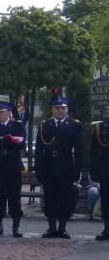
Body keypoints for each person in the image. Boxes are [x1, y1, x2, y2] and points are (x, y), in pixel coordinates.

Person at [35, 94, 84, 238]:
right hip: (49, 167)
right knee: (50, 197)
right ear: (52, 110)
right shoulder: (45, 125)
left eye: (63, 108)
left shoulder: (75, 125)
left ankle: (62, 228)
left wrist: (77, 169)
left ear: (67, 110)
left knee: (65, 198)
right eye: (57, 108)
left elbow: (79, 150)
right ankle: (51, 227)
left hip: (66, 167)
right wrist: (38, 168)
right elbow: (39, 149)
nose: (60, 111)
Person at [0, 101, 26, 237]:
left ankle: (16, 225)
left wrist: (5, 141)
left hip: (12, 163)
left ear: (8, 112)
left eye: (1, 112)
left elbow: (20, 144)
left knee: (14, 195)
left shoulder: (17, 126)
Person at [90, 106, 109, 241]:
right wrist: (94, 171)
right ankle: (107, 229)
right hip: (105, 170)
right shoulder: (100, 128)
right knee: (106, 201)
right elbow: (94, 152)